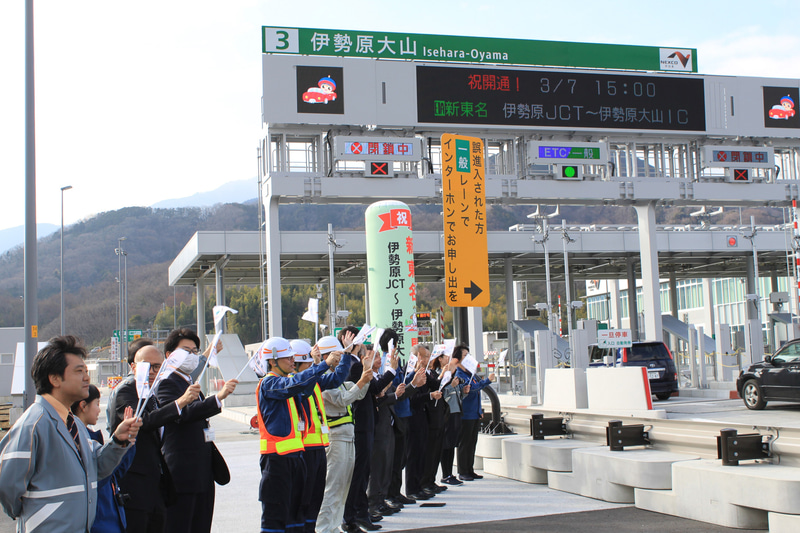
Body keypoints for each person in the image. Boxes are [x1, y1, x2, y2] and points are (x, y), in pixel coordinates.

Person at [0, 335, 141, 532]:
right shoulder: (34, 424)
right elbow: (7, 485)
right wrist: (34, 514)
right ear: (55, 378)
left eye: (85, 370)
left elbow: (96, 469)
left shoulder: (73, 423)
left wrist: (118, 440)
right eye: (79, 371)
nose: (86, 378)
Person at [107, 342, 201, 533]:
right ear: (133, 366)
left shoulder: (151, 394)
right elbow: (144, 421)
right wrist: (181, 402)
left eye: (157, 367)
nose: (151, 372)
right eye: (146, 366)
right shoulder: (126, 390)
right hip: (133, 484)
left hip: (154, 484)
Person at [256, 336, 341, 533]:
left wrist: (326, 364)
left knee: (297, 514)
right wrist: (322, 366)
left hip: (295, 456)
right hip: (276, 460)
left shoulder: (288, 382)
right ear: (272, 361)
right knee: (276, 518)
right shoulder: (269, 384)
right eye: (287, 358)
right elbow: (295, 384)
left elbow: (304, 385)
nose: (292, 361)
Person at [156, 329, 238, 533]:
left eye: (195, 351)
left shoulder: (187, 381)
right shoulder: (166, 382)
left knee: (200, 525)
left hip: (201, 471)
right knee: (181, 525)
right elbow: (181, 413)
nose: (191, 356)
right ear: (169, 355)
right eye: (186, 350)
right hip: (182, 473)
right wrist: (218, 398)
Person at [341, 328, 399, 533]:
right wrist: (392, 370)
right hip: (361, 425)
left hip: (367, 423)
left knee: (363, 473)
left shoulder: (356, 364)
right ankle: (352, 518)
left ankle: (359, 515)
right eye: (359, 339)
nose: (364, 342)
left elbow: (374, 388)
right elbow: (374, 388)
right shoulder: (353, 365)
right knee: (359, 474)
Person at [292, 338, 352, 533]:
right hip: (301, 448)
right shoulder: (290, 383)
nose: (312, 367)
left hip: (318, 442)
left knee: (317, 495)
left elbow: (336, 379)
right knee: (305, 499)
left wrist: (346, 356)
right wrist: (321, 364)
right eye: (308, 363)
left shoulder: (314, 379)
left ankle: (324, 527)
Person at [316, 342, 374, 533]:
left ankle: (334, 526)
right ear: (326, 357)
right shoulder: (324, 380)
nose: (340, 359)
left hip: (347, 437)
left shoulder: (336, 380)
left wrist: (365, 377)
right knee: (333, 488)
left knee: (344, 487)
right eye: (336, 355)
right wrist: (361, 381)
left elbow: (358, 393)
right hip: (336, 437)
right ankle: (324, 528)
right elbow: (343, 399)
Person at [72, 385, 136, 533]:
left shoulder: (91, 437)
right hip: (100, 522)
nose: (99, 409)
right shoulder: (78, 440)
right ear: (83, 406)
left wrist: (128, 443)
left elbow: (115, 472)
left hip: (109, 519)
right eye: (96, 403)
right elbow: (100, 477)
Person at [454, 346, 496, 481]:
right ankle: (463, 471)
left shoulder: (469, 374)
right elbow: (471, 389)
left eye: (468, 354)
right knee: (464, 443)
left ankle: (469, 469)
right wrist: (487, 381)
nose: (468, 357)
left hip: (474, 413)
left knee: (472, 442)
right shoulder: (459, 374)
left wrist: (479, 411)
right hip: (465, 414)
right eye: (465, 355)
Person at [439, 345, 464, 486]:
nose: (449, 359)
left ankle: (450, 473)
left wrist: (462, 390)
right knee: (446, 444)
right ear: (440, 359)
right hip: (446, 413)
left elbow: (457, 394)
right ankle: (445, 473)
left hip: (455, 410)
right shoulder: (440, 374)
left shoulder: (453, 373)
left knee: (452, 443)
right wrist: (451, 386)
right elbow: (441, 391)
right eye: (446, 356)